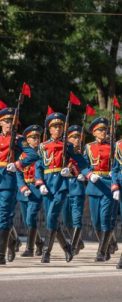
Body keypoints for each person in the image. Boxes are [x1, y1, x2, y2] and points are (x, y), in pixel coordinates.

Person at [0, 107, 39, 265]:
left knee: (3, 218)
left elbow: (33, 155)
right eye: (6, 121)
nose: (9, 124)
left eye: (11, 121)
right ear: (0, 123)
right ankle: (12, 242)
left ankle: (0, 256)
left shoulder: (18, 139)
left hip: (7, 181)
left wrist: (18, 164)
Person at [35, 112, 88, 263]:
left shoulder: (68, 146)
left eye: (59, 126)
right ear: (49, 129)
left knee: (51, 217)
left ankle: (46, 252)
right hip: (47, 185)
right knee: (51, 220)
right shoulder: (42, 146)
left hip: (60, 185)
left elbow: (82, 162)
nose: (57, 129)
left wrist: (71, 171)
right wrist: (40, 183)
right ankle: (67, 248)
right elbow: (38, 166)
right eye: (54, 127)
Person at [82, 117, 116, 262]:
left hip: (108, 185)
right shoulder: (89, 148)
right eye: (100, 130)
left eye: (105, 130)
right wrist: (89, 174)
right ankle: (106, 246)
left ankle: (101, 251)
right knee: (95, 221)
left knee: (105, 218)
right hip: (94, 185)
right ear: (94, 132)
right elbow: (83, 165)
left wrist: (114, 172)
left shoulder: (114, 147)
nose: (103, 132)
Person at [16, 125, 45, 257]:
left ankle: (30, 248)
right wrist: (22, 187)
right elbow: (18, 173)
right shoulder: (22, 155)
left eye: (38, 137)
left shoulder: (42, 154)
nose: (36, 140)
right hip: (24, 190)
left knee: (30, 217)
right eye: (33, 138)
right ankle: (39, 242)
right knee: (26, 220)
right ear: (27, 140)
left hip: (36, 189)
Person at [63, 125, 86, 255]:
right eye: (74, 137)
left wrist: (76, 172)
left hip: (77, 188)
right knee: (67, 219)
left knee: (76, 218)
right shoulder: (63, 152)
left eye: (78, 137)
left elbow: (87, 166)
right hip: (65, 188)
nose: (77, 140)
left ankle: (74, 245)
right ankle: (79, 241)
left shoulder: (83, 152)